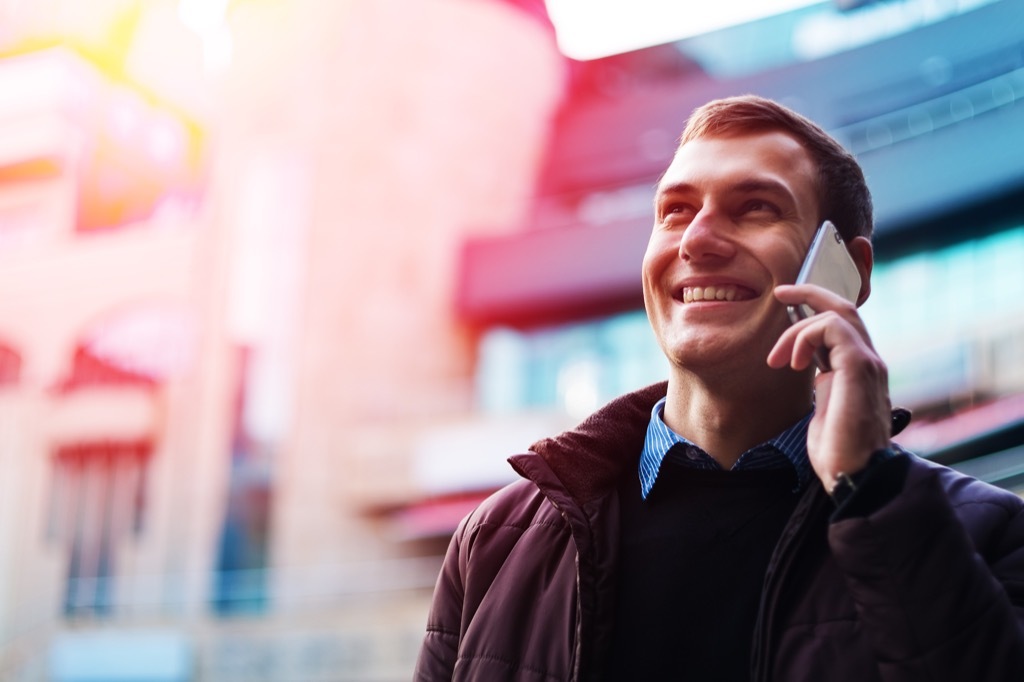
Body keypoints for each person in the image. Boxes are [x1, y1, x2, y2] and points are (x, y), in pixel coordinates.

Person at [414, 95, 1024, 681]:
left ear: (848, 271)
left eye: (755, 207)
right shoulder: (491, 541)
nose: (696, 240)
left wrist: (873, 492)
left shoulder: (991, 535)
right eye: (676, 210)